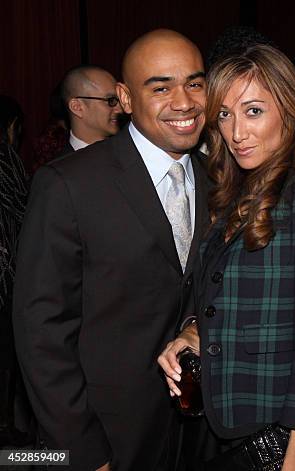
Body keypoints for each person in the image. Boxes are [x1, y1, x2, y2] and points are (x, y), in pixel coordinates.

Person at [13, 29, 208, 470]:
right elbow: (41, 332)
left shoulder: (220, 176)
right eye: (161, 87)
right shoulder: (68, 184)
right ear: (125, 97)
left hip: (198, 434)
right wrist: (82, 452)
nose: (184, 102)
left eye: (195, 83)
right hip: (105, 436)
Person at [158, 44, 295, 470]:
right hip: (227, 419)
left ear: (289, 109)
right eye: (225, 114)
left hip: (283, 430)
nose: (236, 132)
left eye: (253, 111)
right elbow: (218, 293)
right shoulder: (237, 189)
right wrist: (193, 331)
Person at [0, 95, 29, 447]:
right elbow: (24, 205)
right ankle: (6, 427)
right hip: (6, 278)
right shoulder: (5, 157)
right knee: (7, 354)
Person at [59, 65, 123, 155]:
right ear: (77, 107)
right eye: (110, 101)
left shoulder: (128, 153)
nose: (120, 109)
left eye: (120, 100)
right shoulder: (61, 167)